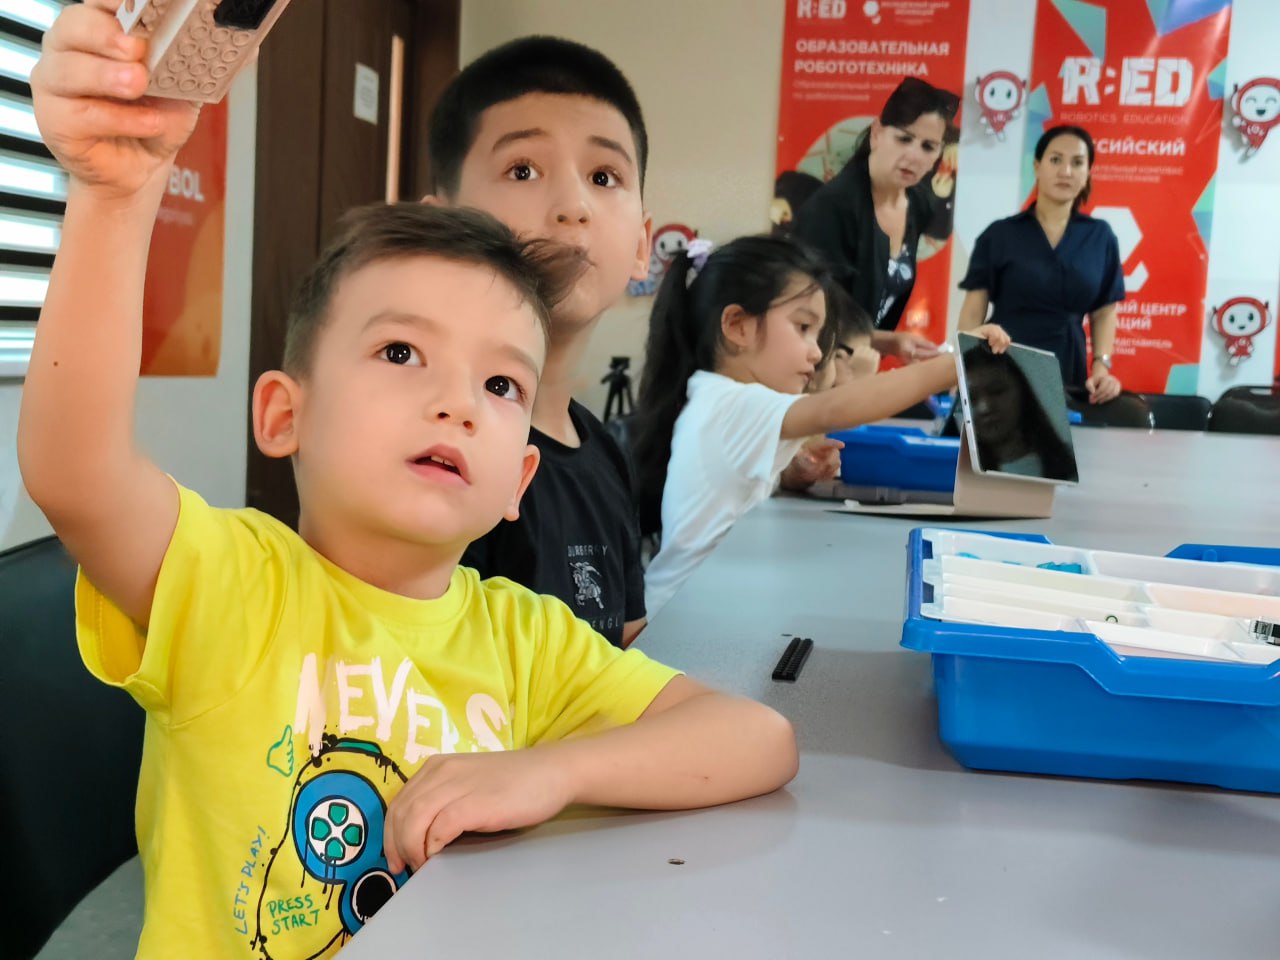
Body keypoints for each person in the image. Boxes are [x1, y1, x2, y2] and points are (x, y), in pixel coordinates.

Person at [20, 8, 798, 955]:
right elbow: (77, 471)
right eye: (401, 351)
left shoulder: (524, 639)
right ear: (282, 415)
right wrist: (114, 195)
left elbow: (758, 740)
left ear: (519, 478)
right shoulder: (232, 586)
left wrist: (550, 772)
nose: (457, 403)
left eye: (502, 382)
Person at [632, 236, 1007, 615]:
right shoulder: (733, 403)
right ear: (738, 326)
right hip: (678, 623)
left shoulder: (718, 397)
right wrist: (955, 363)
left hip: (700, 607)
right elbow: (834, 409)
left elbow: (731, 486)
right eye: (803, 327)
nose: (815, 351)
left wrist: (790, 473)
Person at [428, 37, 653, 647]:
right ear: (442, 225)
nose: (573, 206)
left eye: (604, 176)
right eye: (523, 170)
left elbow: (627, 647)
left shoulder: (605, 451)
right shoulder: (431, 440)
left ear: (642, 245)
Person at [791, 77, 960, 364]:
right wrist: (888, 341)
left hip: (857, 367)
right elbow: (811, 316)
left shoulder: (919, 203)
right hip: (810, 368)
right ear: (877, 133)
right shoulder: (832, 207)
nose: (914, 155)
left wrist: (890, 342)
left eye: (928, 146)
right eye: (904, 138)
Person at [957, 124, 1125, 404]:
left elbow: (1105, 312)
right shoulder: (999, 234)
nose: (1066, 171)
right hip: (1001, 363)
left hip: (1067, 369)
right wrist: (962, 369)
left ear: (1088, 173)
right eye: (1056, 160)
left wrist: (1101, 365)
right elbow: (973, 311)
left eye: (1077, 162)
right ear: (1037, 166)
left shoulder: (1100, 236)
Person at [961, 343, 1078, 482]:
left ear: (1023, 392)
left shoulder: (1067, 470)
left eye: (997, 391)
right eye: (971, 399)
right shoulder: (959, 474)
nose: (984, 408)